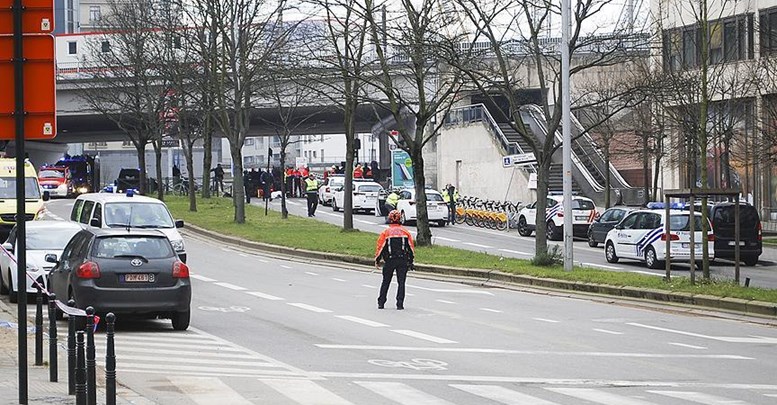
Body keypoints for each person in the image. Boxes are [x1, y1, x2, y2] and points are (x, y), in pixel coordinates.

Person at [374, 210, 415, 310]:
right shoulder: (406, 232)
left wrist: (377, 260)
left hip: (390, 260)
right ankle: (400, 304)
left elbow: (381, 247)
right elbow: (411, 248)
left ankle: (381, 302)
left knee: (386, 281)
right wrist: (410, 261)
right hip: (402, 260)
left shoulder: (386, 232)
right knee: (401, 282)